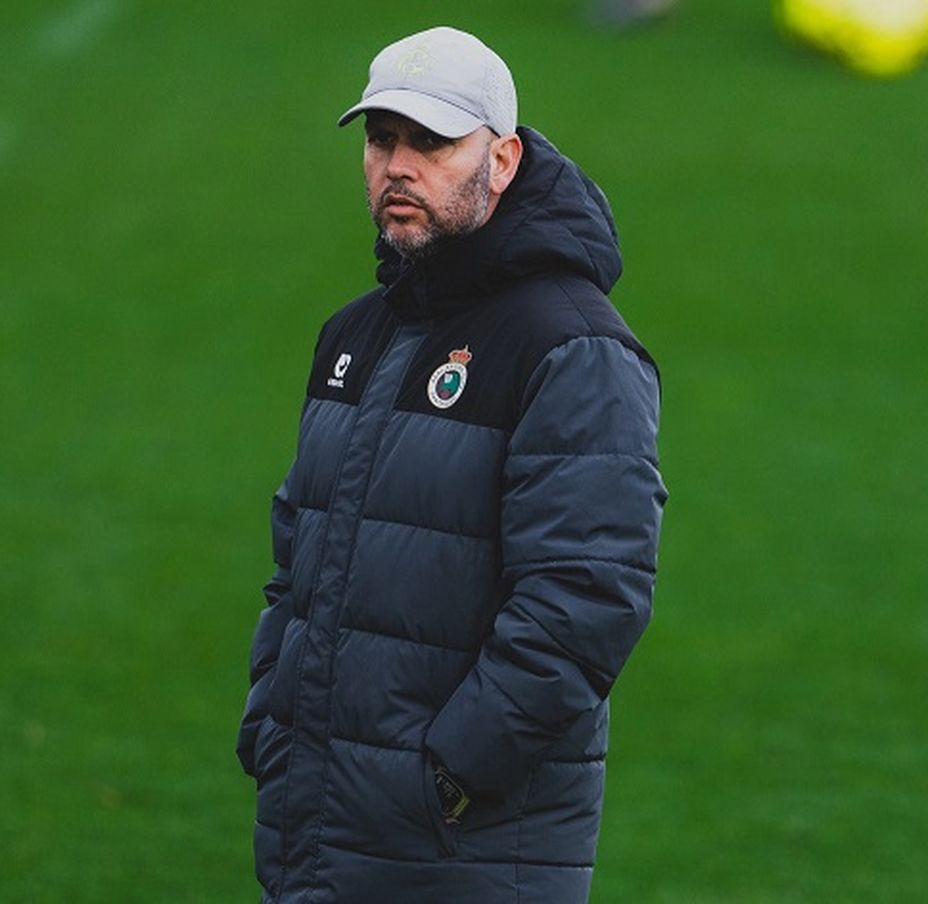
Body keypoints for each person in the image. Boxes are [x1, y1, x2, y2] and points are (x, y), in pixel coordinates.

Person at [235, 25, 667, 904]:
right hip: (318, 822)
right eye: (381, 138)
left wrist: (449, 775)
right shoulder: (353, 336)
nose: (397, 165)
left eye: (431, 142)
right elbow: (300, 560)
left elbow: (587, 597)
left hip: (463, 846)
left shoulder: (572, 345)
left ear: (501, 160)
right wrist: (272, 720)